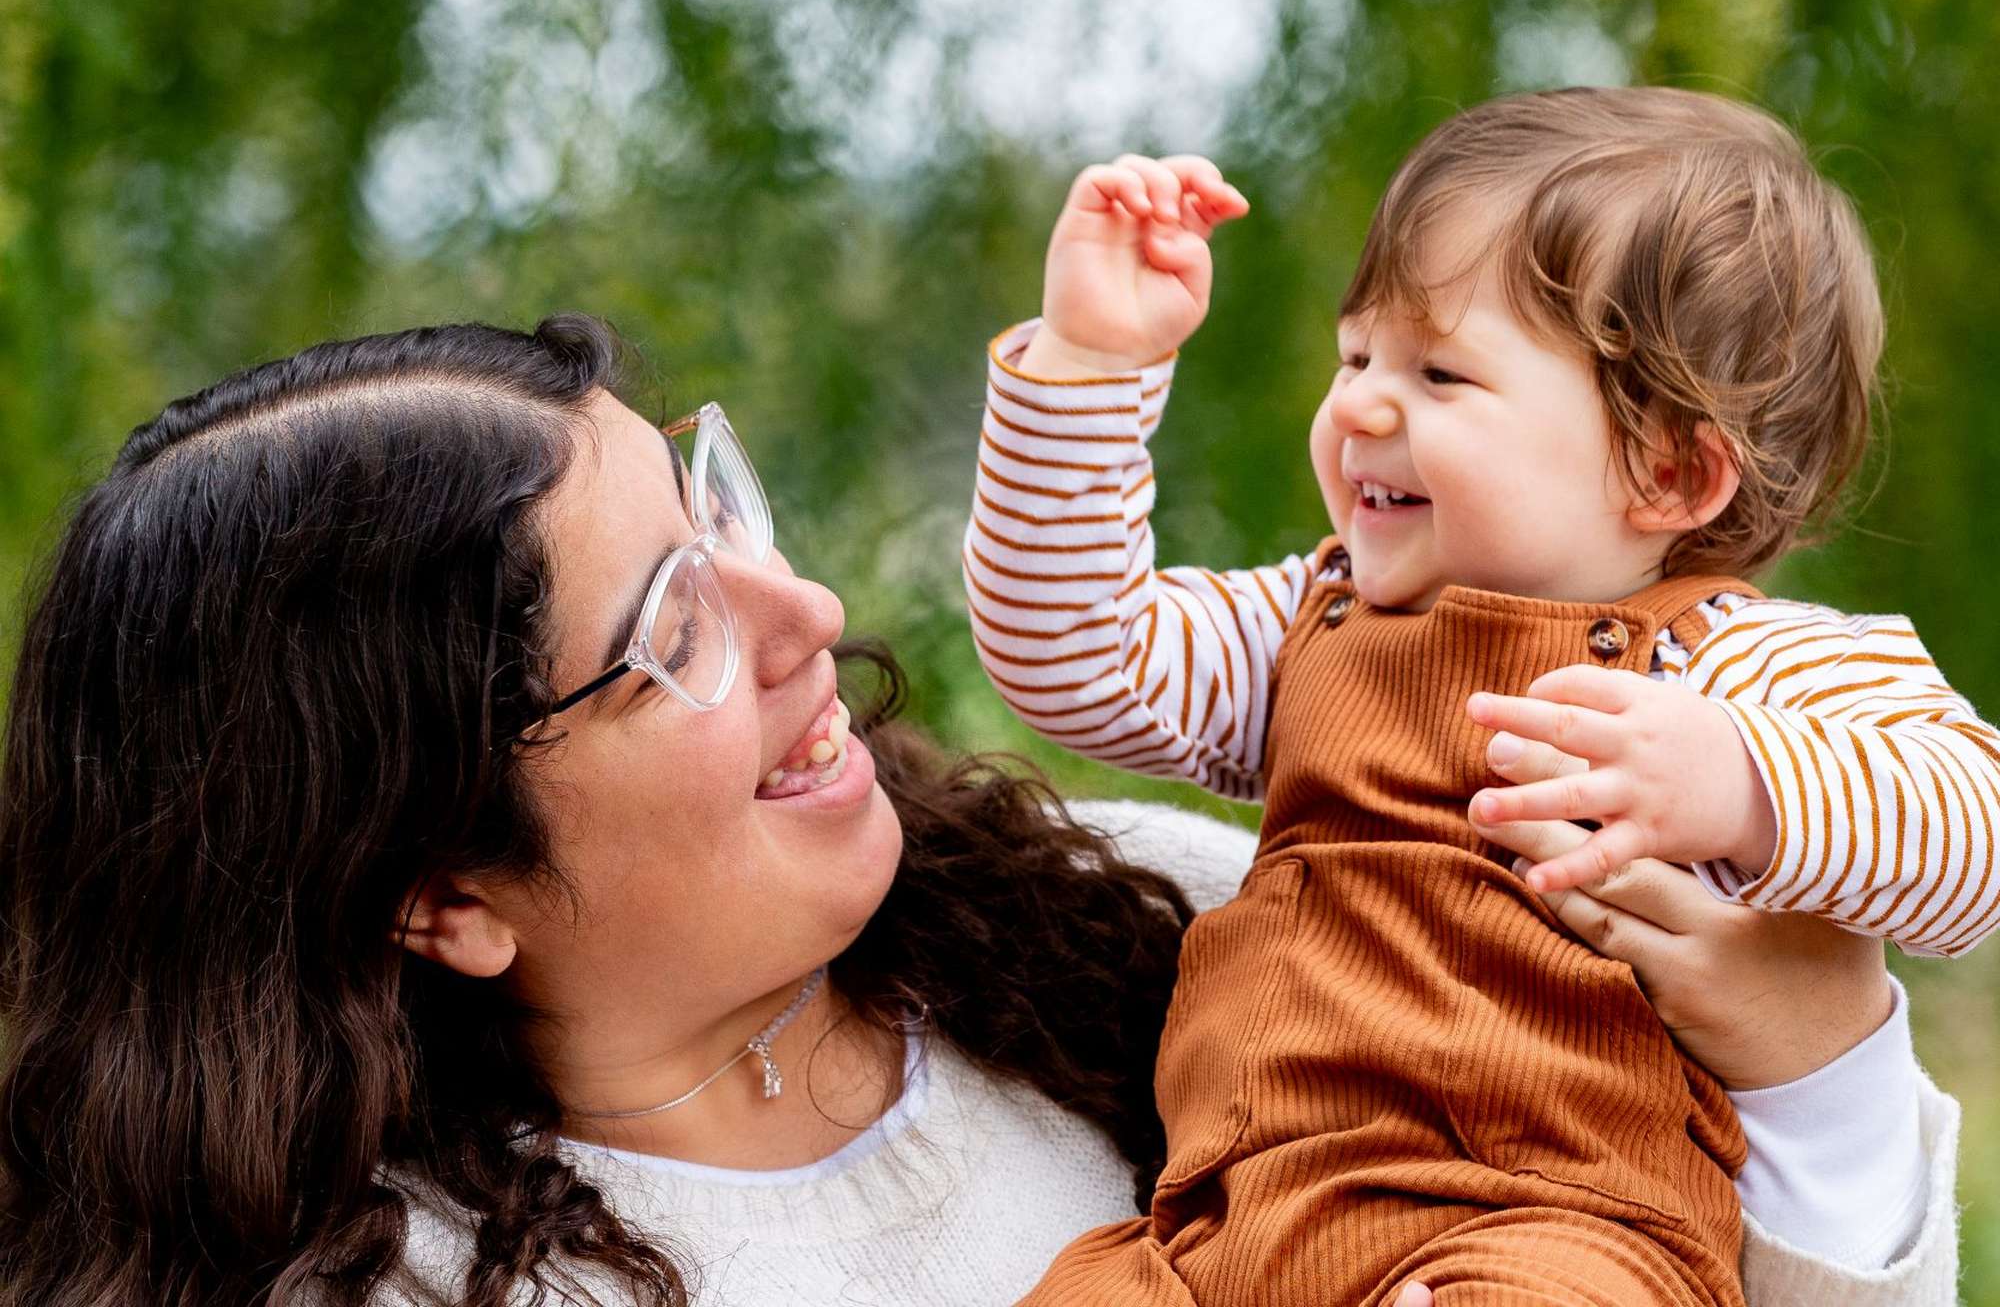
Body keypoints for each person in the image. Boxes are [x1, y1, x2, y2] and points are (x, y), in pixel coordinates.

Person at [0, 316, 1959, 1307]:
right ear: (439, 886)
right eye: (674, 623)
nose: (813, 617)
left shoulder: (1199, 918)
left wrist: (1822, 1073)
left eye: (721, 514)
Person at [963, 89, 1996, 1305]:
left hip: (1555, 1227)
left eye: (1439, 372)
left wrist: (1743, 786)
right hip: (1221, 1223)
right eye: (1354, 356)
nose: (1357, 405)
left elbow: (1972, 834)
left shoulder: (1737, 667)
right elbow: (1074, 655)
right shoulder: (1318, 618)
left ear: (1665, 467)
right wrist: (1089, 367)